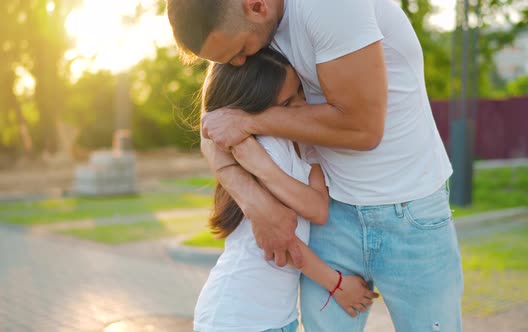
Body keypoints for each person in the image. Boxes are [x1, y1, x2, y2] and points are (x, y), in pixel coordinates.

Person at [167, 0, 463, 330]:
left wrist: (250, 120)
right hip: (330, 215)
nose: (239, 63)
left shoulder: (327, 5)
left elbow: (363, 129)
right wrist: (256, 204)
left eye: (239, 50)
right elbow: (216, 123)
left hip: (408, 211)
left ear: (256, 6)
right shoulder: (246, 28)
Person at [193, 48, 377, 332]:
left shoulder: (300, 147)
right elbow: (283, 241)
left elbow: (318, 210)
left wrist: (266, 169)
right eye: (289, 102)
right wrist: (337, 284)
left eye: (301, 94)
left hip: (278, 319)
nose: (302, 106)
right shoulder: (267, 145)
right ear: (256, 106)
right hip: (237, 318)